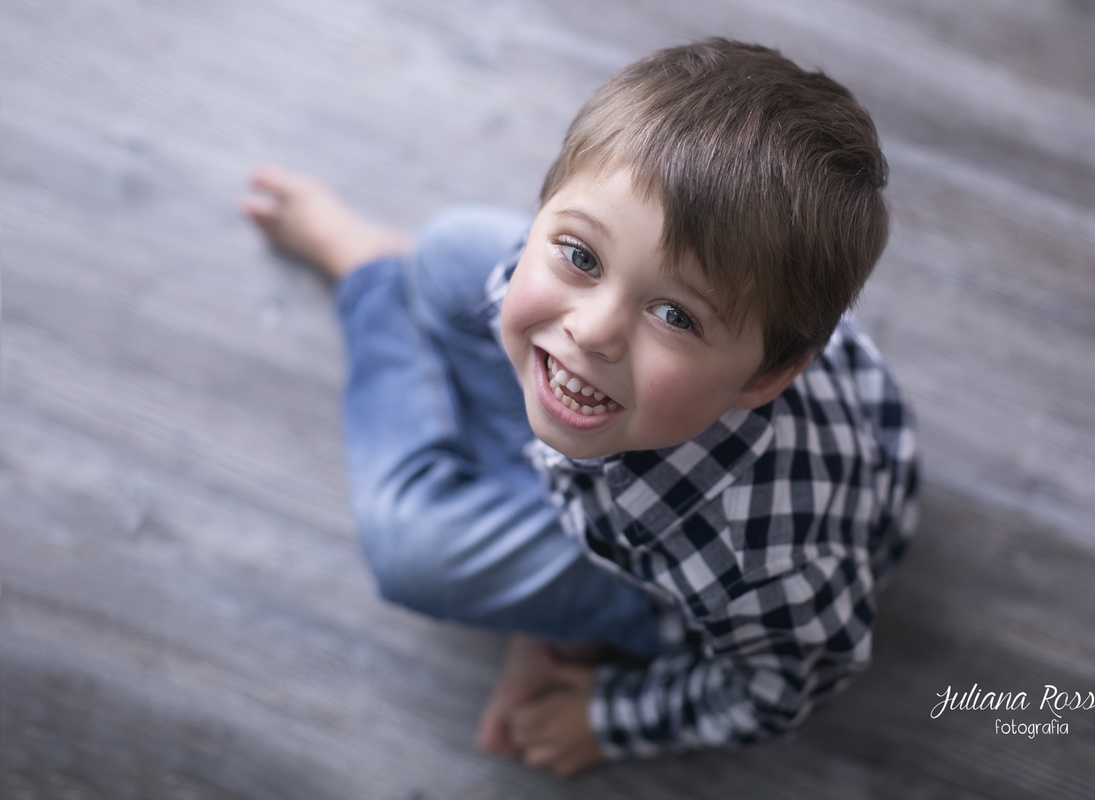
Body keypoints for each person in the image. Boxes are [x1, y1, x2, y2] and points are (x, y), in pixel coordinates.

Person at [242, 38, 919, 778]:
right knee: (445, 250)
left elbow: (782, 688)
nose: (591, 331)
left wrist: (610, 718)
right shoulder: (595, 331)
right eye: (582, 255)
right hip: (618, 448)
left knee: (413, 549)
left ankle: (368, 275)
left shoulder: (760, 569)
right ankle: (554, 588)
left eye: (678, 316)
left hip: (673, 574)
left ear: (765, 378)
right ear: (542, 209)